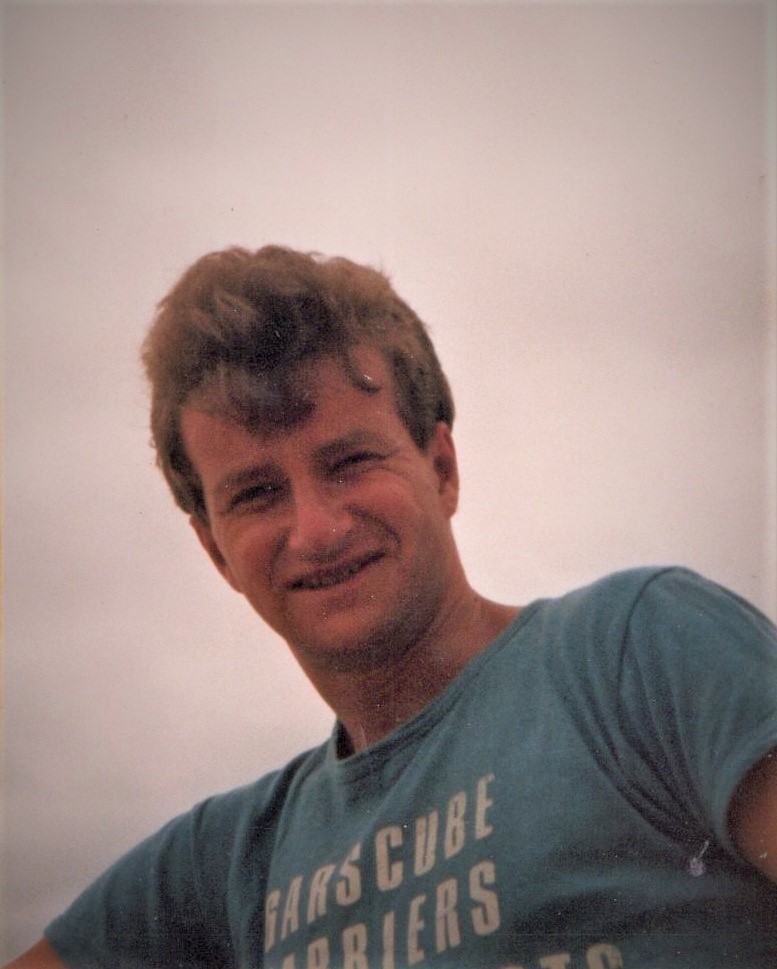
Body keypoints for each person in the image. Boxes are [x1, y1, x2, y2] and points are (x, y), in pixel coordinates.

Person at [7, 245, 777, 969]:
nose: (316, 528)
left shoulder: (636, 651)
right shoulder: (229, 863)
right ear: (215, 551)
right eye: (257, 493)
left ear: (440, 467)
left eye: (350, 461)